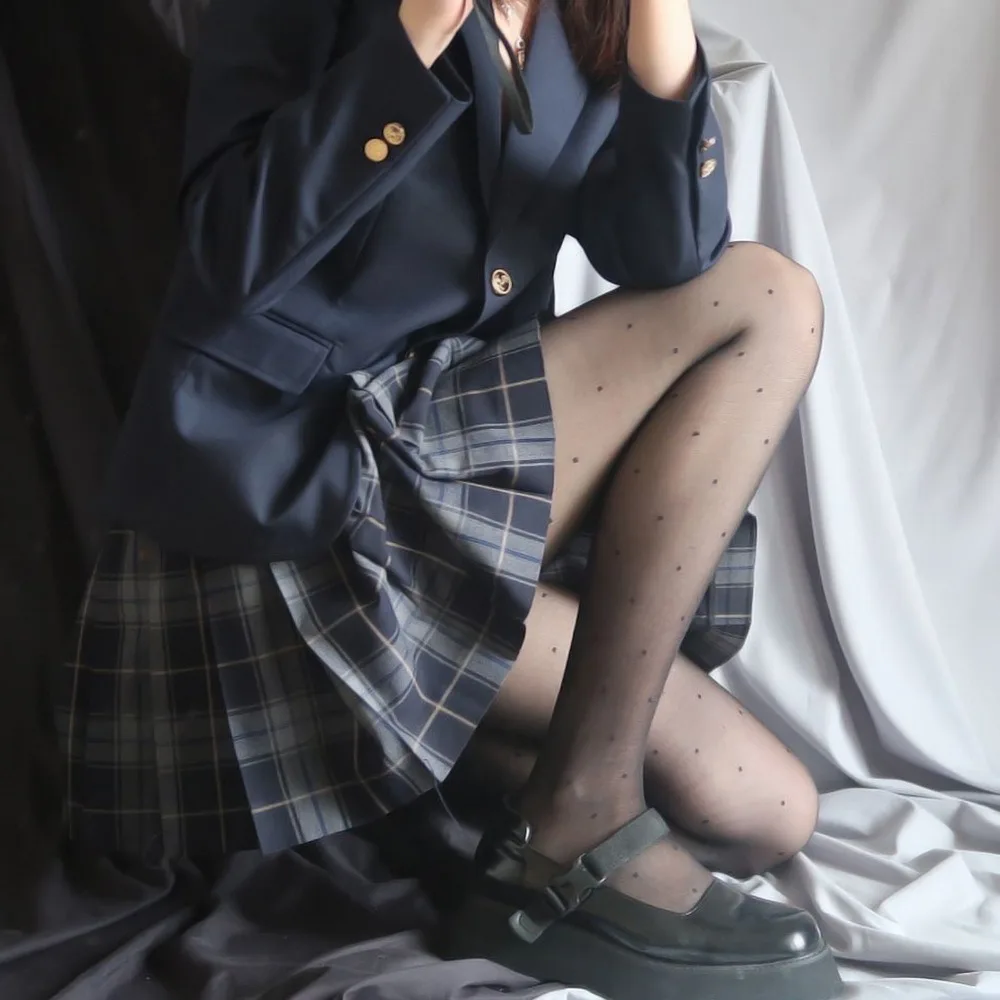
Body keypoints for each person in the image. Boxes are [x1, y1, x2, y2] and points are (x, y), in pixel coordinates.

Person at [51, 0, 838, 998]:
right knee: (770, 298)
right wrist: (413, 38)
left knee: (768, 811)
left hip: (456, 498)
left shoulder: (577, 24)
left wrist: (656, 17)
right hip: (305, 495)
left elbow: (669, 252)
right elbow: (228, 258)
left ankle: (458, 785)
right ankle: (572, 819)